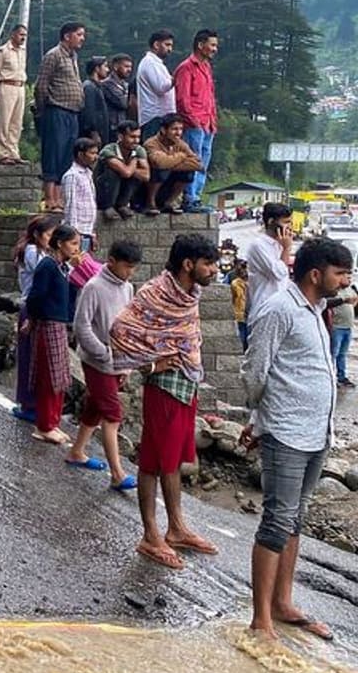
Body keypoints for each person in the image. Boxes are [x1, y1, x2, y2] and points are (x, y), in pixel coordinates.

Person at [242, 238, 352, 642]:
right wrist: (261, 419)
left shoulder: (315, 309)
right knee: (276, 521)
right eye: (341, 273)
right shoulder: (279, 309)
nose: (346, 281)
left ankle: (282, 602)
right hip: (286, 433)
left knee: (294, 519)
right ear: (316, 274)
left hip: (316, 433)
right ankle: (261, 619)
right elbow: (255, 370)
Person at [111, 233, 221, 570]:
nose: (214, 270)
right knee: (153, 461)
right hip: (164, 388)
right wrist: (151, 364)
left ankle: (176, 528)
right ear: (188, 264)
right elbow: (120, 330)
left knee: (171, 461)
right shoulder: (155, 292)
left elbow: (185, 335)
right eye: (208, 264)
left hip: (187, 382)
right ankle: (150, 535)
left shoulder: (189, 293)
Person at [71, 239, 143, 491]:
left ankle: (77, 451)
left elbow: (128, 325)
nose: (130, 272)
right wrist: (103, 353)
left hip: (117, 361)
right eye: (127, 266)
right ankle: (117, 473)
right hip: (96, 361)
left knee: (95, 408)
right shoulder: (93, 287)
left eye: (133, 267)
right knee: (113, 414)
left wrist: (126, 363)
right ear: (111, 261)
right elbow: (81, 326)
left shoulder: (128, 288)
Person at [26, 224, 81, 443]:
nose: (76, 249)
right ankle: (44, 425)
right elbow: (36, 296)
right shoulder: (47, 266)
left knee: (60, 378)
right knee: (49, 377)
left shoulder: (62, 267)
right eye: (73, 243)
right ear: (60, 243)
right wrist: (32, 319)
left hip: (58, 324)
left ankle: (53, 422)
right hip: (48, 324)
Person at [13, 215, 62, 423]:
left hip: (40, 310)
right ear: (37, 234)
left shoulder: (42, 252)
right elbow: (48, 271)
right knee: (29, 358)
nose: (52, 240)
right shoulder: (32, 252)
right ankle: (28, 405)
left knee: (37, 359)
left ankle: (36, 404)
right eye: (49, 235)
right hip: (31, 309)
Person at [34, 22, 87, 212]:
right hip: (56, 110)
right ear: (67, 36)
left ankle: (59, 198)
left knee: (66, 155)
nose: (82, 38)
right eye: (79, 34)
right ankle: (49, 199)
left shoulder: (73, 57)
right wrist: (43, 111)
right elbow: (41, 85)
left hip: (72, 112)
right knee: (53, 154)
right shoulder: (53, 55)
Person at [175, 29, 220, 212]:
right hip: (193, 123)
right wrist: (193, 120)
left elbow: (210, 96)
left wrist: (213, 120)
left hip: (208, 122)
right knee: (193, 160)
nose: (215, 49)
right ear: (201, 45)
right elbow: (182, 99)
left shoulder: (206, 67)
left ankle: (197, 196)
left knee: (203, 162)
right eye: (212, 45)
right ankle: (189, 198)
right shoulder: (186, 67)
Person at [245, 203, 294, 328]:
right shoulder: (259, 246)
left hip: (282, 310)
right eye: (286, 222)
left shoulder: (279, 244)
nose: (289, 227)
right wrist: (286, 249)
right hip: (264, 311)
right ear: (271, 221)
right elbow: (278, 273)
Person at [144, 114, 203, 215]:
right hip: (148, 185)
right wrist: (181, 156)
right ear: (163, 130)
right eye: (174, 129)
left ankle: (168, 203)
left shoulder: (180, 143)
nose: (178, 133)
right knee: (161, 171)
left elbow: (198, 164)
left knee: (188, 174)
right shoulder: (151, 143)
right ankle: (150, 203)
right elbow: (160, 163)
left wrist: (170, 163)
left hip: (168, 183)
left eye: (181, 129)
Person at [0, 24, 29, 165]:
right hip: (6, 85)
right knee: (4, 121)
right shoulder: (3, 51)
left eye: (25, 35)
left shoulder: (22, 51)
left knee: (16, 123)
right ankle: (3, 154)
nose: (23, 38)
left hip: (20, 86)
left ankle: (13, 152)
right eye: (20, 34)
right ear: (13, 34)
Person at [95, 120, 148, 220]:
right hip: (102, 191)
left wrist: (130, 169)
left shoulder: (139, 149)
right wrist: (134, 159)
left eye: (138, 137)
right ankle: (107, 206)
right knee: (113, 172)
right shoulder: (109, 150)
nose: (136, 141)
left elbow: (146, 175)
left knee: (136, 176)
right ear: (120, 137)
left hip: (122, 187)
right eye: (132, 137)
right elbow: (126, 173)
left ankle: (122, 205)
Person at [136, 30, 176, 142]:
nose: (170, 49)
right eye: (167, 45)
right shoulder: (150, 63)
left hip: (162, 117)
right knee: (154, 150)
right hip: (154, 118)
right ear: (156, 45)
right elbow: (161, 87)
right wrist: (176, 80)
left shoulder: (157, 63)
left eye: (171, 45)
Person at [62, 138, 99, 252]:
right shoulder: (72, 175)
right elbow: (70, 205)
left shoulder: (88, 174)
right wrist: (73, 233)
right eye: (92, 153)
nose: (95, 157)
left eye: (96, 153)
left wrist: (92, 232)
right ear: (80, 154)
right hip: (77, 231)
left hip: (87, 230)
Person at [79, 56, 112, 148]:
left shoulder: (97, 86)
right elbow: (89, 112)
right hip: (93, 136)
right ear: (97, 68)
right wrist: (93, 132)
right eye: (105, 66)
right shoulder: (89, 87)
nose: (108, 70)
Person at [330, 281, 358, 387]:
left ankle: (341, 377)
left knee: (342, 354)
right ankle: (331, 377)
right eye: (347, 276)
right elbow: (326, 303)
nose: (348, 279)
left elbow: (355, 298)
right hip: (337, 327)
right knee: (333, 354)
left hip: (348, 327)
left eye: (350, 277)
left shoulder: (350, 289)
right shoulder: (333, 290)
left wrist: (352, 304)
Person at [103, 54, 132, 131]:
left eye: (130, 67)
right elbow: (123, 103)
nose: (129, 70)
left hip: (124, 125)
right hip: (113, 126)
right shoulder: (107, 84)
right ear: (115, 67)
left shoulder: (126, 85)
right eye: (126, 66)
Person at [231, 259, 250, 351]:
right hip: (243, 312)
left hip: (246, 312)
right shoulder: (236, 283)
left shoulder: (252, 282)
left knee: (246, 334)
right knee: (244, 334)